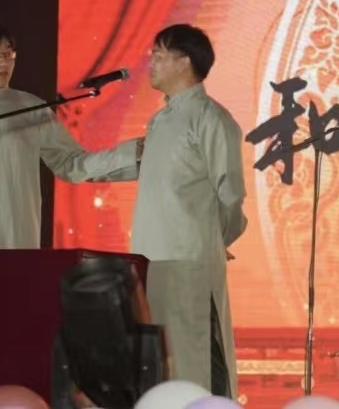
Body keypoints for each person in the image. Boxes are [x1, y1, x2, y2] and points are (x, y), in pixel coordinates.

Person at [78, 23, 247, 396]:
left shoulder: (211, 118)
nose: (150, 62)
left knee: (195, 356)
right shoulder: (161, 119)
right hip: (153, 259)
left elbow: (231, 195)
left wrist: (215, 239)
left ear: (184, 61)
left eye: (158, 54)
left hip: (190, 261)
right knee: (163, 360)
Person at [0, 18, 142, 283]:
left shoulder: (32, 109)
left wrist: (132, 154)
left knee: (14, 306)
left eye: (9, 55)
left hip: (17, 239)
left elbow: (72, 163)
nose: (4, 64)